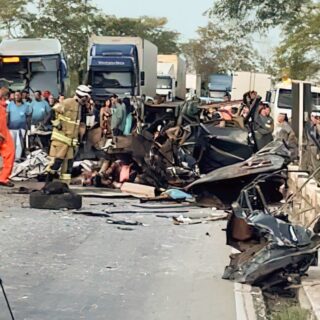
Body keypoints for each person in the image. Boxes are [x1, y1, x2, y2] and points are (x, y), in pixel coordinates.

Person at [47, 85, 91, 182]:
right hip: (60, 139)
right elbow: (53, 112)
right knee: (56, 162)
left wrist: (79, 138)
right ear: (82, 96)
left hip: (70, 142)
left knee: (68, 165)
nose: (87, 100)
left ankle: (64, 185)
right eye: (86, 98)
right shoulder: (68, 102)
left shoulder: (80, 107)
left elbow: (79, 124)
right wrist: (57, 124)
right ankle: (48, 182)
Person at [7, 90, 32, 160]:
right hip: (11, 128)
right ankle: (12, 158)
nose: (17, 96)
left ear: (21, 96)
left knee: (19, 144)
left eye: (18, 95)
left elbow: (28, 117)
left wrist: (28, 128)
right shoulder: (10, 104)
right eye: (15, 95)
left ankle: (17, 158)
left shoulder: (26, 105)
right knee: (12, 144)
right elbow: (7, 115)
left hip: (22, 128)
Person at [0, 89, 15, 187]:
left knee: (10, 153)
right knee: (10, 153)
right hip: (2, 134)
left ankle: (3, 178)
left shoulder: (3, 107)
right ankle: (3, 178)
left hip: (4, 134)